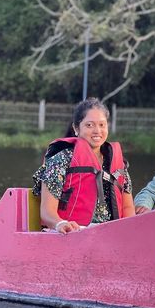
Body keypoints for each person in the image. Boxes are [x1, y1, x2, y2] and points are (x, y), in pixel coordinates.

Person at [33, 97, 135, 234]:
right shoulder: (60, 160)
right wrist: (61, 224)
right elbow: (47, 212)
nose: (97, 131)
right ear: (76, 128)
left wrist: (130, 232)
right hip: (71, 233)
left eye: (102, 125)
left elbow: (128, 207)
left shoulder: (118, 164)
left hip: (110, 234)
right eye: (89, 125)